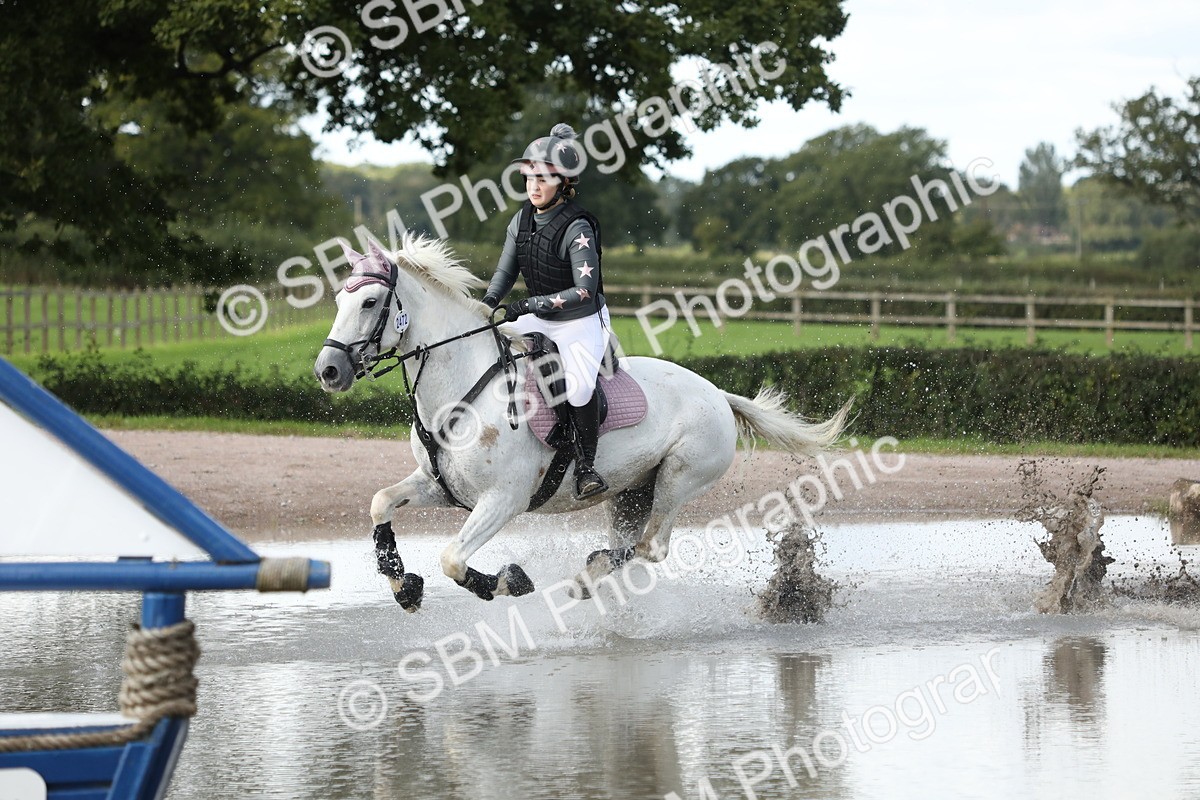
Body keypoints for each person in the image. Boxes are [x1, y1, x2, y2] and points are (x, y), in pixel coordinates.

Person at [482, 123, 611, 500]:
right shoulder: (520, 221)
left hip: (580, 321)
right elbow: (505, 274)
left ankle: (586, 468)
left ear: (564, 183)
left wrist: (528, 305)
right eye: (529, 178)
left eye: (543, 178)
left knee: (580, 386)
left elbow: (585, 292)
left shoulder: (578, 226)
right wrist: (486, 305)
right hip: (537, 316)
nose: (534, 186)